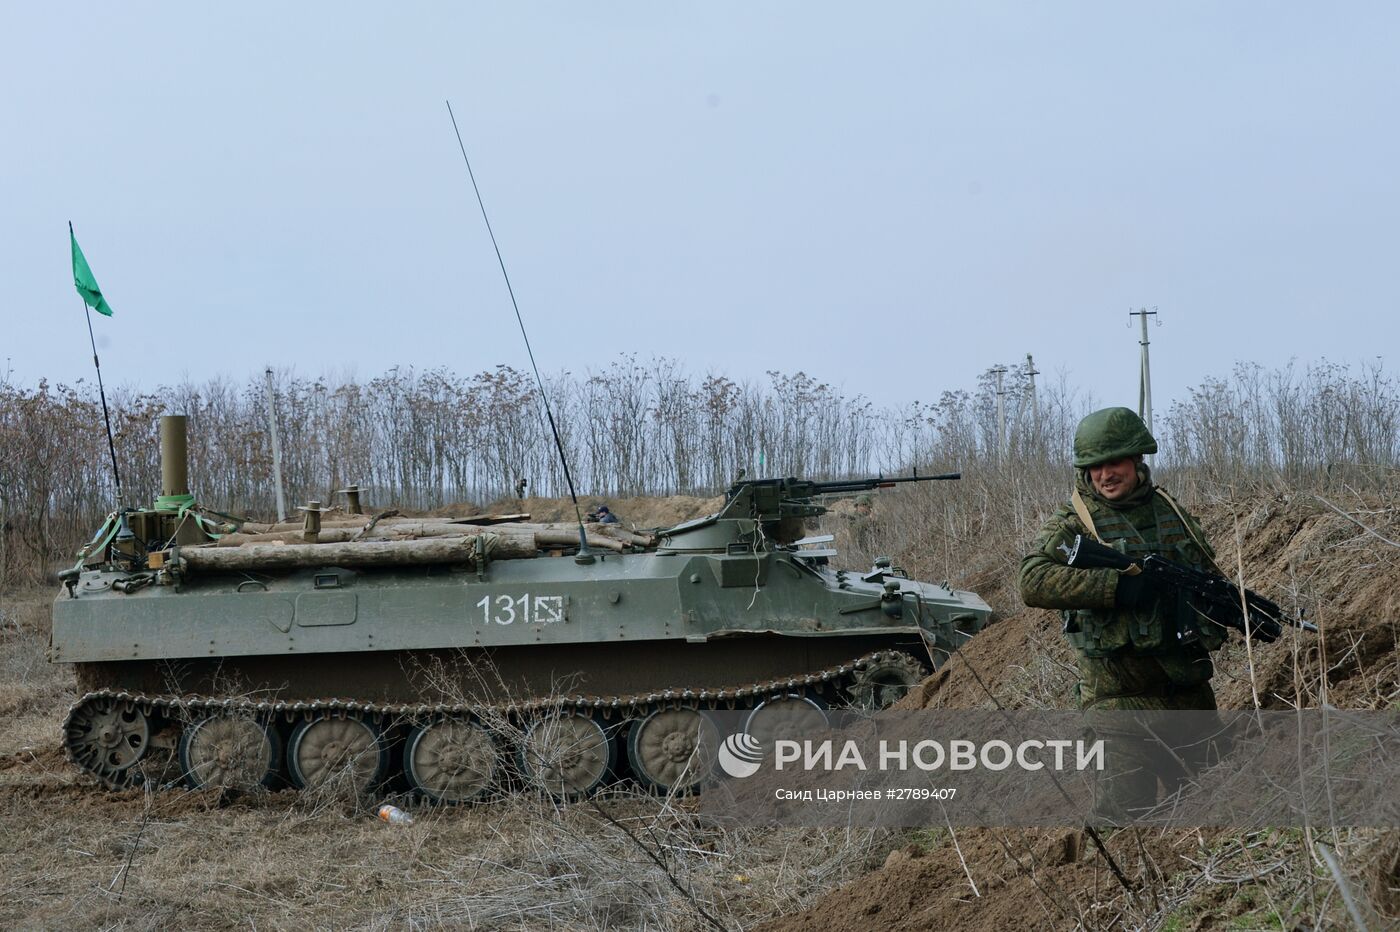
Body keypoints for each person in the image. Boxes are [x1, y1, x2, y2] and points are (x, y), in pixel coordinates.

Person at [1019, 407, 1230, 823]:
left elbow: (1207, 572)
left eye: (1114, 462)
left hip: (1189, 694)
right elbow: (1032, 580)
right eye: (1095, 466)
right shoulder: (1075, 522)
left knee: (1215, 808)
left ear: (1137, 459)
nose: (1105, 475)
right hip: (1119, 704)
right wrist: (1114, 587)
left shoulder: (1170, 510)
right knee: (1124, 819)